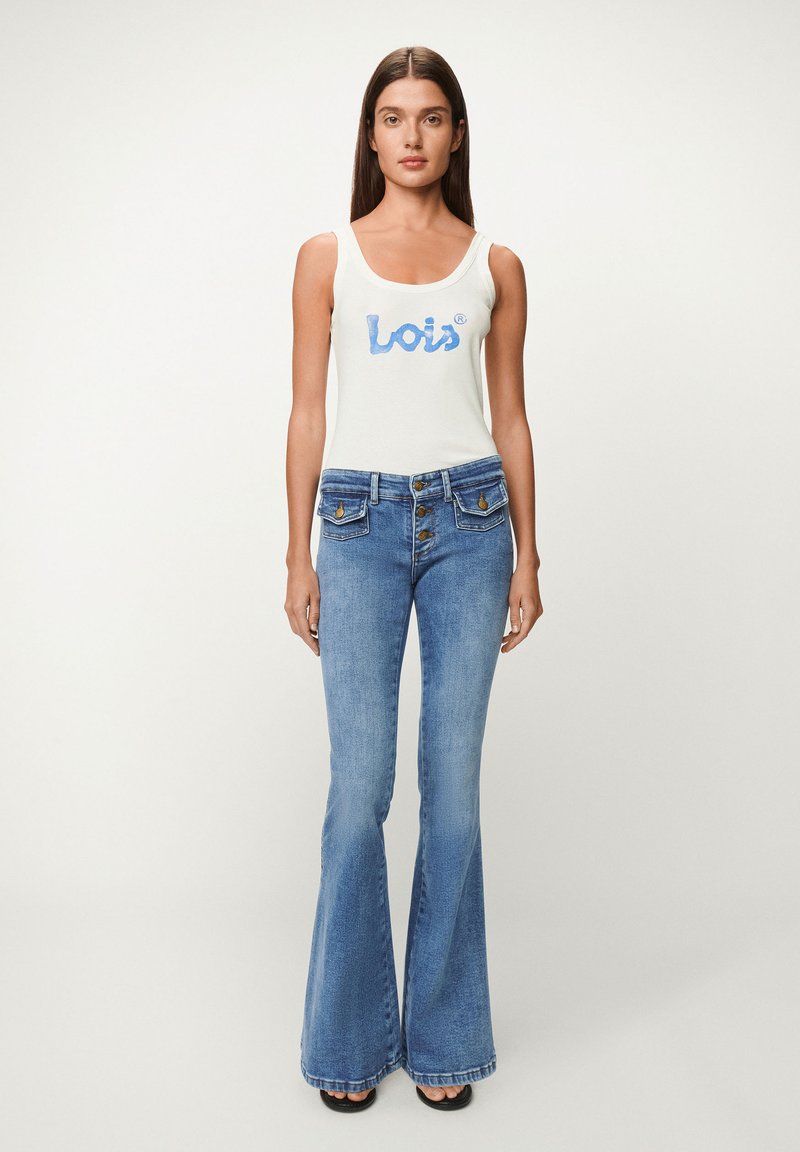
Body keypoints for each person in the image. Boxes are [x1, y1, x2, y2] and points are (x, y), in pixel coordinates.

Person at [284, 45, 543, 1113]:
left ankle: (444, 1038)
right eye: (392, 117)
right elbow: (308, 411)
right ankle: (348, 1042)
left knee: (452, 792)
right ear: (370, 134)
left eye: (430, 117)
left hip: (472, 525)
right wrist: (294, 551)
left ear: (455, 134)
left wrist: (531, 553)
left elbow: (510, 414)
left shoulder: (495, 266)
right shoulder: (326, 258)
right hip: (355, 522)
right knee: (359, 791)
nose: (411, 136)